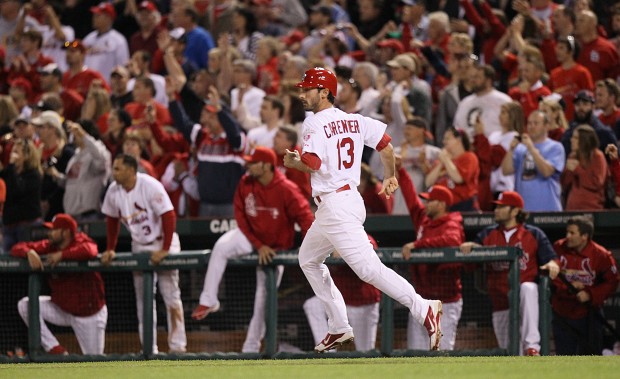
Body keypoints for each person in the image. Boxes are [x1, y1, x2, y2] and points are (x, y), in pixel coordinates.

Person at [284, 67, 443, 352]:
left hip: (335, 204)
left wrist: (296, 163)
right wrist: (389, 175)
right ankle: (339, 326)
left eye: (308, 89)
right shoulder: (354, 120)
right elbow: (386, 146)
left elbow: (313, 162)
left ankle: (423, 308)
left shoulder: (313, 122)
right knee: (308, 259)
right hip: (347, 201)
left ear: (324, 93)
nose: (302, 94)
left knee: (368, 269)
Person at [191, 146, 313, 353]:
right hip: (252, 238)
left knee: (263, 300)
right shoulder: (246, 183)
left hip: (275, 250)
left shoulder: (286, 189)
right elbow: (240, 216)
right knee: (221, 246)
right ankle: (209, 299)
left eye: (253, 162)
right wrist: (258, 245)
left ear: (266, 166)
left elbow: (306, 218)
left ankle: (251, 346)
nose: (248, 166)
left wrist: (309, 247)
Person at [100, 154, 186, 354]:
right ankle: (149, 347)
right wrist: (110, 248)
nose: (114, 172)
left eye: (118, 169)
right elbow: (112, 220)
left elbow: (168, 215)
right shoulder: (113, 191)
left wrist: (164, 249)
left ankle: (178, 347)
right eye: (114, 168)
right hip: (139, 244)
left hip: (163, 241)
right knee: (143, 299)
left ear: (131, 170)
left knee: (171, 296)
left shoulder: (149, 185)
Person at [460, 191, 560, 356]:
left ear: (515, 211)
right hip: (500, 303)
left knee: (528, 288)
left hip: (525, 303)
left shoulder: (534, 233)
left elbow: (552, 259)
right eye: (496, 207)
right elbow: (470, 266)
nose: (496, 210)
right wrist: (471, 248)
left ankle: (531, 346)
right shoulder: (486, 234)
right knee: (511, 355)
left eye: (501, 207)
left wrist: (552, 264)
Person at [10, 213, 107, 355]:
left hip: (88, 315)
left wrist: (63, 255)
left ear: (66, 232)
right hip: (62, 310)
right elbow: (16, 247)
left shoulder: (80, 240)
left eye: (54, 229)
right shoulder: (50, 246)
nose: (50, 233)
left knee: (95, 366)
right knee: (25, 305)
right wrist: (29, 252)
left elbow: (91, 250)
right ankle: (55, 349)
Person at [399, 169, 464, 351]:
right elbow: (411, 199)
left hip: (446, 302)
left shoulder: (452, 222)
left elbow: (452, 240)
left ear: (442, 204)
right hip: (421, 299)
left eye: (430, 200)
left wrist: (418, 245)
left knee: (442, 352)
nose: (426, 203)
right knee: (416, 352)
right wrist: (401, 171)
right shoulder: (424, 219)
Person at [552, 216, 619, 355]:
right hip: (562, 311)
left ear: (584, 236)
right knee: (563, 360)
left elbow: (612, 281)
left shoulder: (601, 254)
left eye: (572, 233)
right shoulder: (558, 247)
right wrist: (568, 289)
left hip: (588, 313)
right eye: (567, 232)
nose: (567, 236)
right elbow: (551, 276)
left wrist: (590, 294)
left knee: (591, 357)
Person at [303, 235, 382, 352]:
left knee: (365, 352)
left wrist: (345, 251)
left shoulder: (363, 237)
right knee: (312, 305)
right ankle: (328, 353)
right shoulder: (327, 239)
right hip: (340, 300)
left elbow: (368, 263)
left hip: (362, 304)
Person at [501, 110, 566, 211]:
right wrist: (511, 149)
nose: (531, 126)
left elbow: (546, 172)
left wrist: (531, 148)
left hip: (548, 209)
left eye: (536, 123)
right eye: (529, 123)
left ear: (546, 126)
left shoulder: (556, 147)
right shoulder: (520, 148)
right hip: (523, 210)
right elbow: (506, 170)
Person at [0, 138, 42, 252]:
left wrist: (11, 167)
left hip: (27, 225)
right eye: (12, 151)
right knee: (6, 263)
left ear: (27, 156)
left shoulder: (33, 175)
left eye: (17, 152)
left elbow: (17, 190)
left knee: (25, 262)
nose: (12, 155)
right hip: (9, 226)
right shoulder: (9, 172)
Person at [425, 127, 480, 212]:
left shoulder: (469, 157)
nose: (444, 142)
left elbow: (458, 178)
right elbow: (428, 182)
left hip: (464, 206)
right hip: (443, 208)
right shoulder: (441, 160)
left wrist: (446, 160)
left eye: (447, 138)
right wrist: (441, 163)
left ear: (458, 140)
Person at [561, 124, 607, 210]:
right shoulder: (573, 156)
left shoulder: (597, 156)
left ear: (584, 140)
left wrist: (577, 169)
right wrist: (568, 170)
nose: (571, 140)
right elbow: (565, 183)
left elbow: (596, 183)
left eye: (575, 138)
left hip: (592, 210)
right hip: (572, 209)